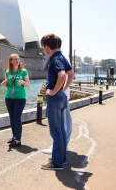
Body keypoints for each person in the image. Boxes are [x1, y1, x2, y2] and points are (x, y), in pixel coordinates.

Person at [40, 34, 74, 170]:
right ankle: (62, 159)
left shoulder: (55, 59)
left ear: (47, 46)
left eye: (43, 46)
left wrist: (53, 91)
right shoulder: (63, 57)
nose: (43, 49)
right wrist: (63, 89)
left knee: (55, 131)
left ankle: (57, 162)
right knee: (60, 130)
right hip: (62, 97)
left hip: (55, 99)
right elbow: (71, 74)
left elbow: (62, 75)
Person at [1, 54, 30, 147]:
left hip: (20, 98)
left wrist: (23, 82)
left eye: (18, 59)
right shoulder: (8, 72)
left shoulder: (23, 71)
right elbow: (7, 84)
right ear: (11, 61)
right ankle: (14, 136)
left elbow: (28, 84)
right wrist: (4, 83)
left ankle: (18, 140)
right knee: (12, 118)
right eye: (15, 59)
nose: (17, 60)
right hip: (9, 98)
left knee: (17, 118)